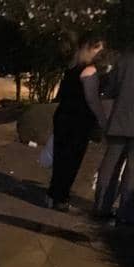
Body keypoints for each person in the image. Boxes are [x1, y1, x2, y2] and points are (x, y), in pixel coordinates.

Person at [46, 32, 107, 211]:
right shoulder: (90, 70)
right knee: (72, 160)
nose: (100, 52)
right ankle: (60, 197)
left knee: (60, 158)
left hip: (63, 116)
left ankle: (54, 194)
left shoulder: (72, 66)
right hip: (79, 120)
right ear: (89, 47)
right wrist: (102, 120)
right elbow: (92, 100)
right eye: (97, 48)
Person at [93, 45, 134, 224]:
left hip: (119, 120)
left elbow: (110, 90)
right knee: (132, 170)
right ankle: (126, 212)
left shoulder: (124, 59)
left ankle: (102, 206)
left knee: (110, 164)